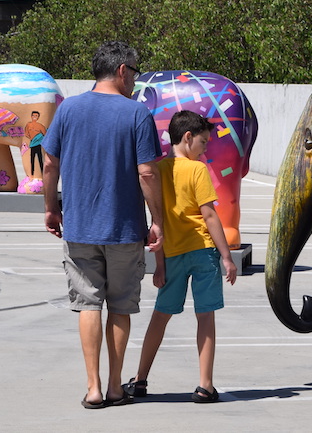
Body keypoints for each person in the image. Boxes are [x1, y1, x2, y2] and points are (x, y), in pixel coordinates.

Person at [42, 40, 165, 410]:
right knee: (121, 306)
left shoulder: (68, 111)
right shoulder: (136, 114)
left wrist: (51, 208)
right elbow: (147, 172)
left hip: (80, 227)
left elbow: (49, 164)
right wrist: (157, 219)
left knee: (88, 304)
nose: (135, 82)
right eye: (135, 74)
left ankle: (93, 388)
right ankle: (115, 387)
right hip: (125, 228)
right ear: (123, 71)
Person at [123, 110, 237, 404]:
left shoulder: (157, 170)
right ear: (187, 138)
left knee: (160, 317)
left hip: (171, 255)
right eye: (203, 142)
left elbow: (157, 221)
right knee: (205, 317)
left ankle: (140, 379)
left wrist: (159, 266)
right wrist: (226, 256)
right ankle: (205, 385)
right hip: (202, 251)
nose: (205, 148)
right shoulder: (197, 170)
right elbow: (209, 215)